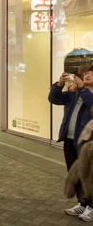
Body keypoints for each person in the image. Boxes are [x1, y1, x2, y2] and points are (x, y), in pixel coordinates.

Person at [50, 67, 93, 218]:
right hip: (69, 139)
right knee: (75, 174)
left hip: (88, 144)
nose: (87, 75)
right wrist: (59, 84)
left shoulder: (83, 92)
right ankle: (82, 203)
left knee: (90, 176)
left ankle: (91, 207)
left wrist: (82, 88)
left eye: (91, 73)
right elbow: (54, 99)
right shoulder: (74, 93)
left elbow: (91, 102)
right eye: (86, 73)